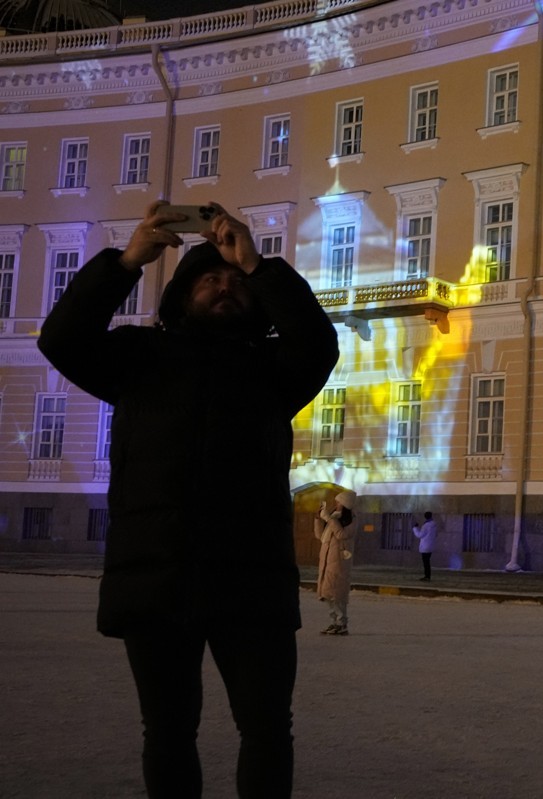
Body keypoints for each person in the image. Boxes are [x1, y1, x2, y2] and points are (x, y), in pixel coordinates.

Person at [37, 199, 339, 797]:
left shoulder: (274, 371)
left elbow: (318, 343)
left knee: (267, 730)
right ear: (180, 296)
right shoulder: (136, 357)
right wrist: (126, 262)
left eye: (233, 282)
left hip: (250, 579)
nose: (224, 286)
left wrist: (256, 263)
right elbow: (63, 339)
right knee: (169, 731)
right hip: (157, 576)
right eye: (209, 278)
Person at [314, 490, 357, 635]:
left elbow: (341, 534)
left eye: (339, 502)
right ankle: (334, 622)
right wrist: (318, 519)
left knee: (337, 595)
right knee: (328, 594)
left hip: (339, 563)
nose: (336, 504)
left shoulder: (350, 520)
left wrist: (329, 519)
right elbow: (321, 536)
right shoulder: (333, 517)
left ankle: (341, 623)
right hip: (327, 561)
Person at [412, 511, 437, 581]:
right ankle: (427, 576)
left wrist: (415, 528)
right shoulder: (434, 524)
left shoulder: (426, 525)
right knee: (427, 561)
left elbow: (420, 535)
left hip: (425, 546)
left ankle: (427, 576)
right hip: (431, 545)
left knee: (426, 562)